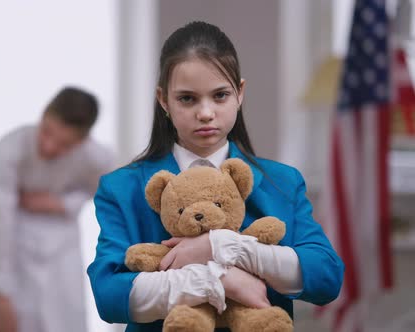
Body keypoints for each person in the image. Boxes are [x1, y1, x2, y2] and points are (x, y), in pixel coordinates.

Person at [87, 21, 345, 331]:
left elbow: (327, 276)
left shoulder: (283, 182)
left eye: (220, 95)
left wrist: (224, 246)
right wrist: (219, 279)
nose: (206, 113)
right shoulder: (121, 188)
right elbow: (110, 296)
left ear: (240, 93)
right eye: (187, 98)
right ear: (163, 100)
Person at [0, 87, 114, 332]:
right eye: (47, 132)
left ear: (83, 141)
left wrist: (62, 204)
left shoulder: (96, 157)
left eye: (63, 144)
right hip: (10, 245)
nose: (49, 147)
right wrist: (1, 297)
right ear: (43, 114)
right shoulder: (6, 151)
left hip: (61, 250)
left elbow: (105, 190)